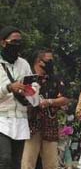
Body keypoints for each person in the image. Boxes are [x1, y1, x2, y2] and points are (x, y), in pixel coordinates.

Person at [22, 49, 69, 169]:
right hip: (31, 126)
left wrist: (50, 102)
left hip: (50, 125)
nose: (51, 63)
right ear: (39, 61)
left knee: (52, 164)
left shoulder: (55, 79)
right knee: (28, 163)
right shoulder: (28, 78)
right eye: (49, 61)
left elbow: (65, 99)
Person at [0, 26, 38, 169]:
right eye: (14, 41)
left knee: (16, 162)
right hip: (1, 120)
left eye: (19, 42)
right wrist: (8, 88)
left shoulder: (24, 63)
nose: (17, 45)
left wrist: (29, 90)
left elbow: (34, 87)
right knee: (4, 159)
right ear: (3, 43)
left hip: (20, 120)